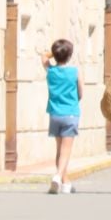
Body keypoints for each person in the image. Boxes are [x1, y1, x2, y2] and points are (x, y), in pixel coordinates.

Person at [42, 40, 81, 194]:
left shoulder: (51, 71)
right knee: (66, 150)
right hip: (70, 112)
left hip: (54, 113)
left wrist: (55, 52)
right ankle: (58, 176)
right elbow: (81, 92)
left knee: (59, 149)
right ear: (70, 55)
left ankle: (66, 183)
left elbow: (43, 56)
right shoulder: (75, 72)